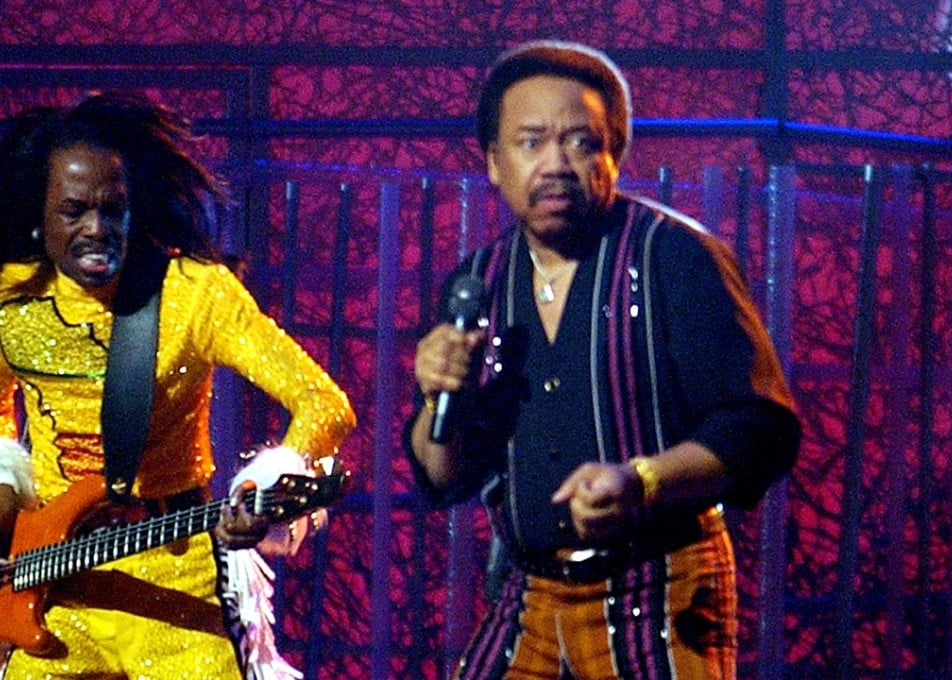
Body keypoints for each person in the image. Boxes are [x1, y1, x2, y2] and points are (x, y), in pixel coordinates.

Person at [405, 41, 801, 680]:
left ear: (614, 154)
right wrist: (434, 398)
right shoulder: (477, 283)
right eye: (531, 142)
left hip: (660, 586)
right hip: (527, 596)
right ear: (494, 164)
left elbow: (759, 429)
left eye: (580, 142)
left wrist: (642, 480)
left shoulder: (676, 257)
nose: (555, 164)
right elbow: (444, 476)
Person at [0, 93, 357, 679]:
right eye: (74, 211)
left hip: (176, 571)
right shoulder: (13, 300)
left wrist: (261, 488)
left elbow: (324, 402)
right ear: (39, 216)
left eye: (113, 209)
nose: (97, 229)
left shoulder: (194, 293)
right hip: (53, 587)